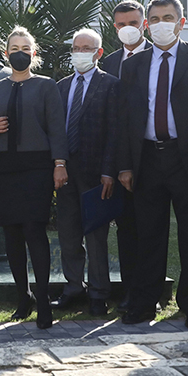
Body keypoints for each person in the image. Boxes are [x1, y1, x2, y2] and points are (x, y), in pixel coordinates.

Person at [118, 0, 188, 329]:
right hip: (147, 158)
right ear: (147, 23)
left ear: (181, 22)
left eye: (168, 17)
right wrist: (126, 165)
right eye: (155, 18)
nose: (161, 23)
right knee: (149, 236)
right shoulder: (132, 65)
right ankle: (145, 304)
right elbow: (128, 119)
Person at [0, 26, 68, 330]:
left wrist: (59, 163)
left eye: (25, 47)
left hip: (37, 168)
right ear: (5, 53)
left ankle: (43, 300)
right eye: (14, 47)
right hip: (4, 168)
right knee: (12, 236)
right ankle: (22, 297)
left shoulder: (46, 86)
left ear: (34, 53)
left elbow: (57, 128)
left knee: (34, 232)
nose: (20, 52)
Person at [53, 29, 118, 317]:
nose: (80, 52)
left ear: (98, 52)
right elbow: (55, 130)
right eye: (76, 47)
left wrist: (108, 172)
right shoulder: (61, 86)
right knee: (67, 232)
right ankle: (73, 287)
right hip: (65, 170)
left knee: (96, 236)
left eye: (86, 48)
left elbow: (114, 132)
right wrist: (58, 163)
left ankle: (99, 292)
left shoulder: (111, 85)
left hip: (96, 173)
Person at [100, 0, 150, 314]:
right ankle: (131, 292)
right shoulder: (108, 63)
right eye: (120, 25)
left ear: (144, 23)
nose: (127, 29)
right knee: (127, 229)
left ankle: (151, 291)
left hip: (152, 158)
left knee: (152, 229)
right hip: (117, 160)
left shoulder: (157, 57)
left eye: (133, 23)